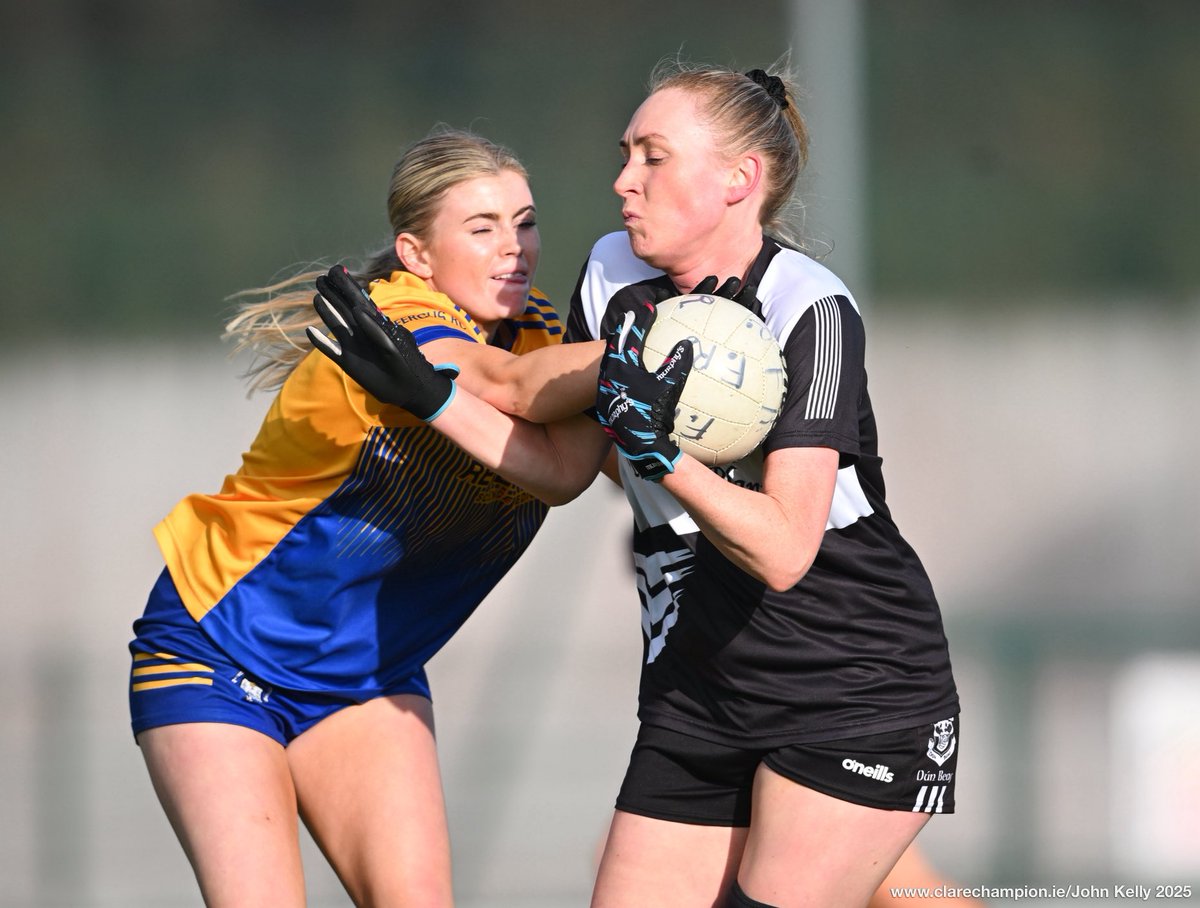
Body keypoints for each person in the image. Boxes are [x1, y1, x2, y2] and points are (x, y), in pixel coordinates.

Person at [312, 60, 961, 908]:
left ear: (739, 179)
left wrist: (662, 456)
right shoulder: (614, 271)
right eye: (626, 154)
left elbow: (784, 551)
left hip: (855, 688)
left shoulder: (810, 308)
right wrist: (433, 398)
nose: (624, 180)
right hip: (699, 689)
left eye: (653, 157)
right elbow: (563, 471)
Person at [127, 127, 609, 908]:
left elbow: (581, 464)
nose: (514, 248)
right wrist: (652, 340)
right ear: (417, 254)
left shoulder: (542, 333)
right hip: (221, 649)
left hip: (367, 676)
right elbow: (511, 389)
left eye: (525, 223)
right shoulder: (393, 320)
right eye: (482, 228)